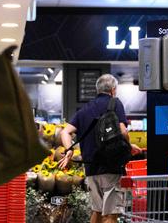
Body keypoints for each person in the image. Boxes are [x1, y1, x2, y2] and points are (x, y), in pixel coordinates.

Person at [58, 74, 139, 223]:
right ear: (113, 90)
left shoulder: (84, 109)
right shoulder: (115, 103)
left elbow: (65, 132)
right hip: (111, 167)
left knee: (97, 211)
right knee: (111, 215)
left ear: (98, 89)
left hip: (91, 169)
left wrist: (69, 150)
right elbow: (123, 131)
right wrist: (128, 147)